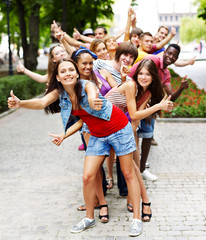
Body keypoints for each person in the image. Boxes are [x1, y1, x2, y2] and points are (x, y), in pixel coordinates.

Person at [8, 59, 143, 237]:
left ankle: (136, 219)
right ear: (57, 77)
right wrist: (20, 103)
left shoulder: (86, 85)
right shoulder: (60, 92)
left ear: (77, 73)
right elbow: (42, 103)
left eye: (71, 69)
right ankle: (89, 217)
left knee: (127, 173)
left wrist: (94, 101)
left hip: (118, 128)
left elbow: (93, 93)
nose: (68, 73)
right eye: (63, 71)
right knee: (87, 176)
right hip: (97, 134)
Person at [105, 58, 174, 215]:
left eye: (148, 74)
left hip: (121, 124)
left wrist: (130, 135)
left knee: (135, 163)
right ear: (136, 75)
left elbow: (135, 120)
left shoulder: (147, 92)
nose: (144, 77)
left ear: (153, 77)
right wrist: (157, 107)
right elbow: (134, 113)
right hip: (103, 122)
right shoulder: (130, 85)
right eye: (141, 73)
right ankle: (145, 201)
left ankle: (135, 199)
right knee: (133, 167)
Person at [129, 44, 190, 181]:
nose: (171, 57)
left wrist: (181, 88)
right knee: (133, 138)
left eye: (174, 56)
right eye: (169, 53)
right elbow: (130, 75)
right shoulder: (151, 60)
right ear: (164, 52)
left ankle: (142, 168)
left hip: (150, 107)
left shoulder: (166, 73)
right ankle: (133, 169)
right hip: (134, 104)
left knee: (148, 135)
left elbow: (171, 96)